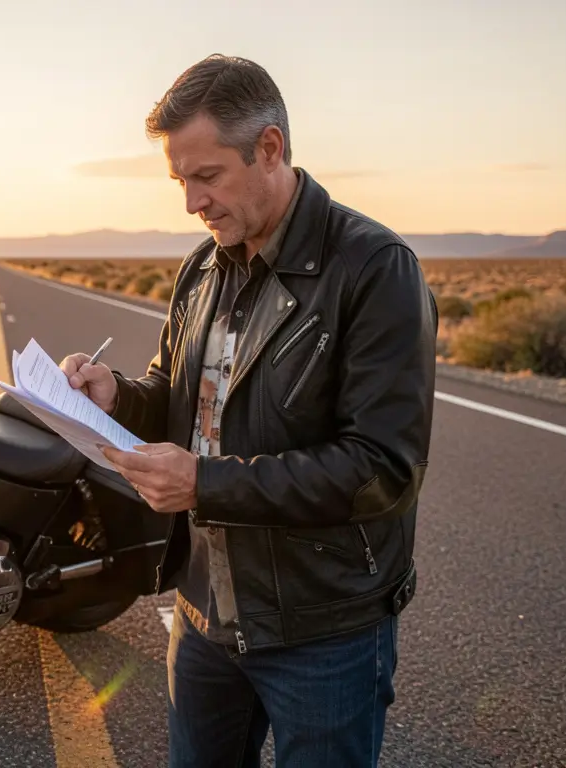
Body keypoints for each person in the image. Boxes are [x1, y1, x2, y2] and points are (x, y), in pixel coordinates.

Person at [60, 54, 437, 768]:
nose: (192, 203)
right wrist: (117, 392)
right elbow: (177, 399)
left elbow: (381, 470)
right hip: (204, 615)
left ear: (270, 150)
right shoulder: (201, 269)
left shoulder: (375, 268)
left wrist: (205, 484)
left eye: (207, 177)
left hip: (322, 629)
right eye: (181, 181)